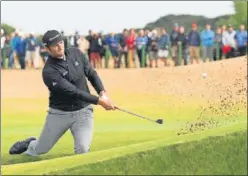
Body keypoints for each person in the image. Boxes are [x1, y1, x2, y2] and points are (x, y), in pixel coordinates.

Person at [9, 30, 116, 156]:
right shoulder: (49, 71)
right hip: (59, 113)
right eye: (55, 45)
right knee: (40, 149)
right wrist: (99, 102)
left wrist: (102, 93)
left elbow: (91, 74)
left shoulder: (76, 53)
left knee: (82, 149)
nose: (60, 46)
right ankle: (30, 144)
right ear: (48, 49)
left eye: (60, 42)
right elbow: (73, 91)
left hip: (83, 111)